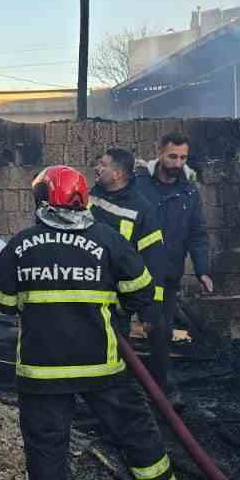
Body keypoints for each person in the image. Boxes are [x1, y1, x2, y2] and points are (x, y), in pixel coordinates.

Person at [0, 166, 186, 480]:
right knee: (134, 431)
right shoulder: (107, 240)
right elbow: (142, 290)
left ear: (43, 199)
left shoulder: (20, 245)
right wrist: (116, 302)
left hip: (41, 374)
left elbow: (3, 302)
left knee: (46, 449)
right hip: (102, 367)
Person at [133, 132, 214, 388]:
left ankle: (160, 386)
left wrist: (202, 270)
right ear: (159, 152)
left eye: (183, 157)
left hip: (167, 274)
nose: (178, 163)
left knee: (161, 331)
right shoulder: (138, 184)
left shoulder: (189, 191)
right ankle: (115, 385)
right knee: (118, 327)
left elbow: (197, 232)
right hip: (132, 271)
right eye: (172, 156)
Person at [90, 148, 172, 389]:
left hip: (116, 305)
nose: (97, 168)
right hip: (84, 297)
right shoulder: (87, 198)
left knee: (114, 363)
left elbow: (154, 260)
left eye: (102, 164)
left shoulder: (142, 210)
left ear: (116, 174)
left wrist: (150, 310)